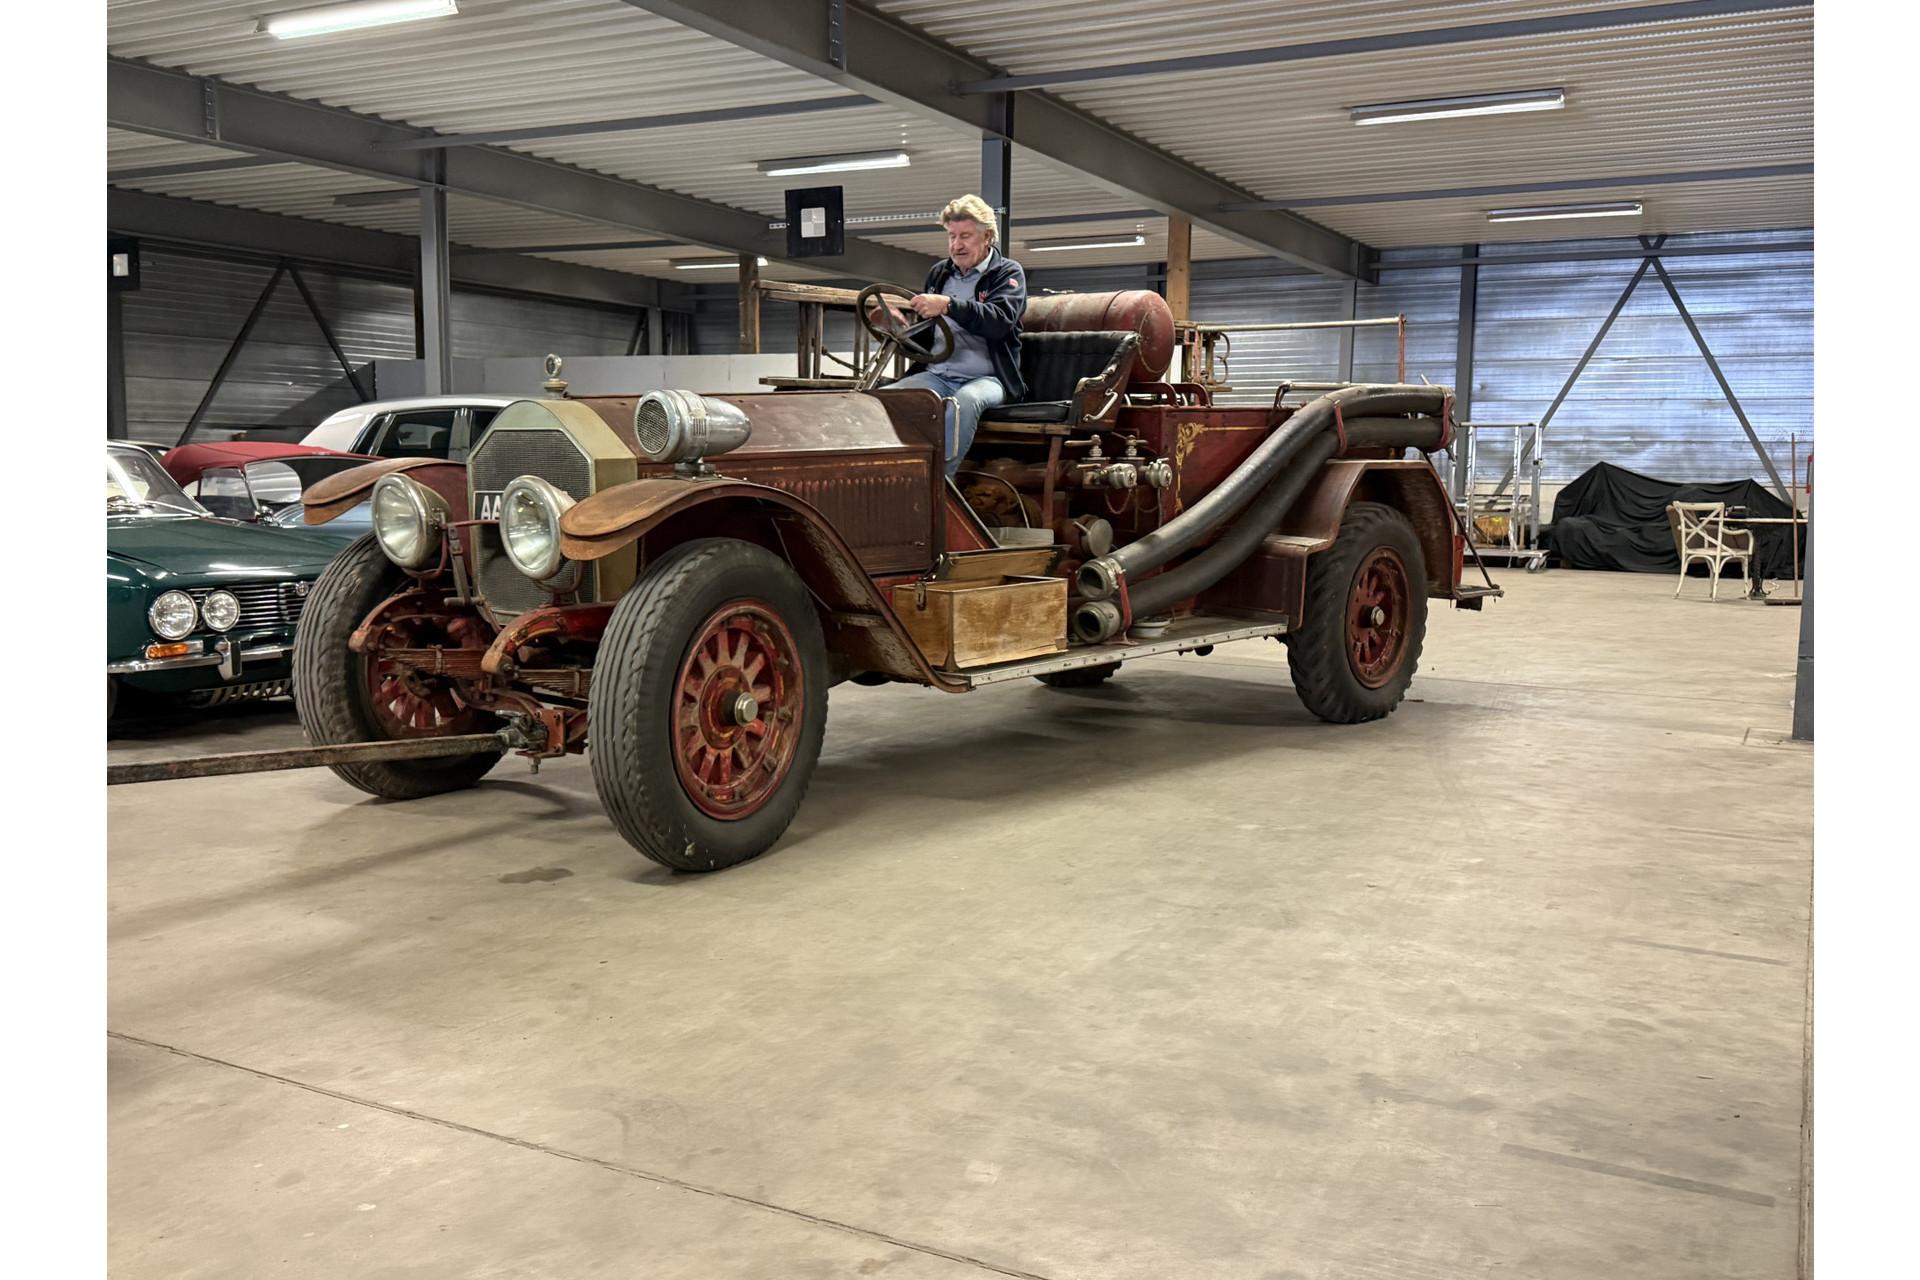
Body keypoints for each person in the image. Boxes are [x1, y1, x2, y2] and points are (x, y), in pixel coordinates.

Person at [884, 194, 1028, 477]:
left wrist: (949, 305)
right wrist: (896, 327)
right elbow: (927, 334)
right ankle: (894, 475)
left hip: (988, 378)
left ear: (987, 237)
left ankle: (940, 482)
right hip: (938, 375)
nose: (956, 245)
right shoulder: (940, 273)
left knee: (965, 403)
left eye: (965, 236)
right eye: (952, 236)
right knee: (882, 400)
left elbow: (999, 321)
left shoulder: (1007, 273)